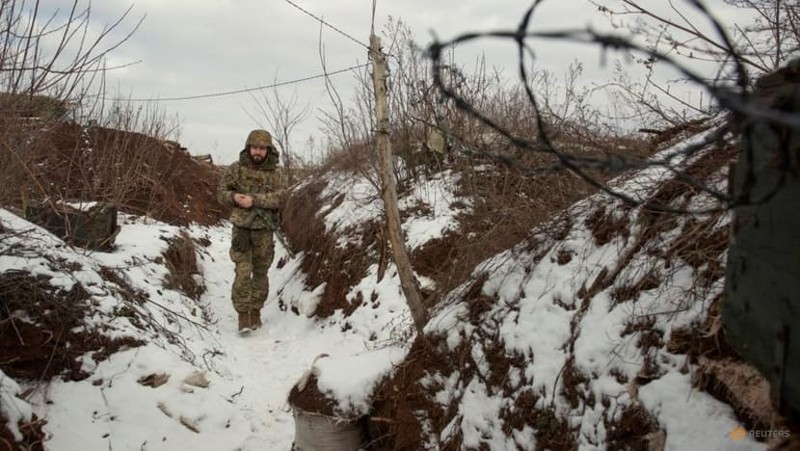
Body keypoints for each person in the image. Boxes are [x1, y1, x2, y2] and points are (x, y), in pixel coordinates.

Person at [217, 129, 286, 335]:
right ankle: (243, 316)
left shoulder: (277, 172)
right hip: (242, 230)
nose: (258, 152)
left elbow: (283, 197)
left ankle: (256, 311)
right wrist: (234, 197)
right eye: (254, 147)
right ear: (248, 147)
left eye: (262, 148)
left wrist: (255, 201)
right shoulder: (236, 169)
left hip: (264, 230)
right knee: (242, 272)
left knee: (261, 272)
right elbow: (221, 193)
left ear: (268, 150)